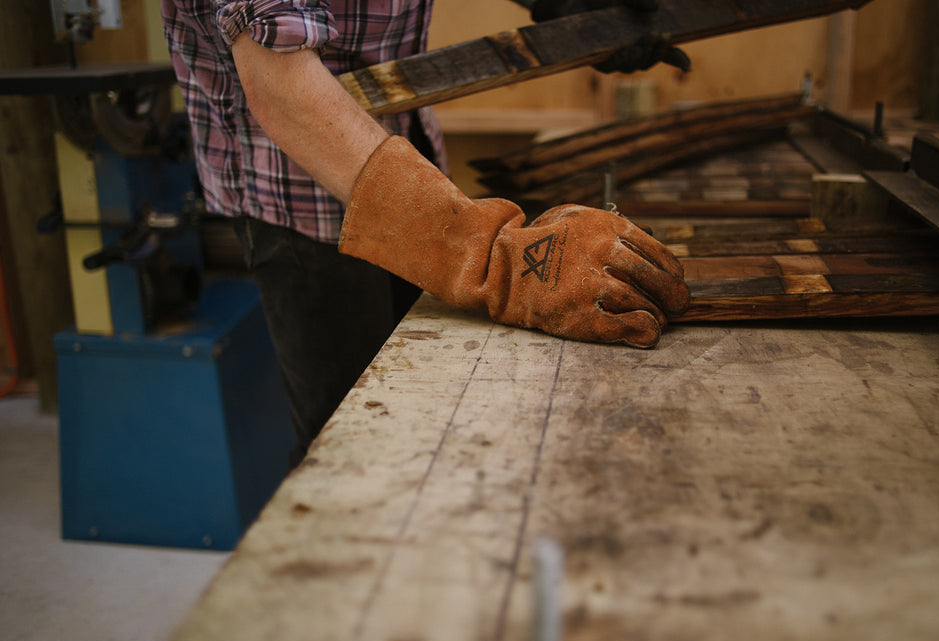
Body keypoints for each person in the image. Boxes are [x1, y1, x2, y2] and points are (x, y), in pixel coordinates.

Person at [161, 0, 691, 467]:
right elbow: (280, 89)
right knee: (348, 454)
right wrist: (488, 258)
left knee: (422, 424)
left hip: (409, 171)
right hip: (299, 197)